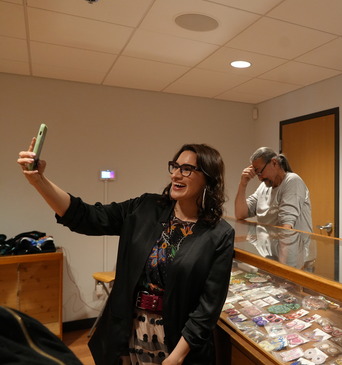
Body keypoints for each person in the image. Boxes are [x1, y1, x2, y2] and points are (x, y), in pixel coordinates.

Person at [18, 140, 234, 365]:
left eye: (187, 169)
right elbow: (87, 216)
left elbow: (208, 307)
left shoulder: (218, 234)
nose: (176, 175)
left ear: (208, 177)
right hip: (131, 332)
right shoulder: (144, 208)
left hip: (180, 344)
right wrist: (39, 181)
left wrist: (177, 358)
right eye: (175, 166)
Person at [234, 147, 312, 233]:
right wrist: (243, 184)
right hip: (269, 245)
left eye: (260, 172)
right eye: (257, 174)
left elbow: (286, 227)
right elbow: (240, 214)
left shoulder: (292, 181)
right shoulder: (263, 187)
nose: (260, 178)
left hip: (291, 245)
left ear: (274, 163)